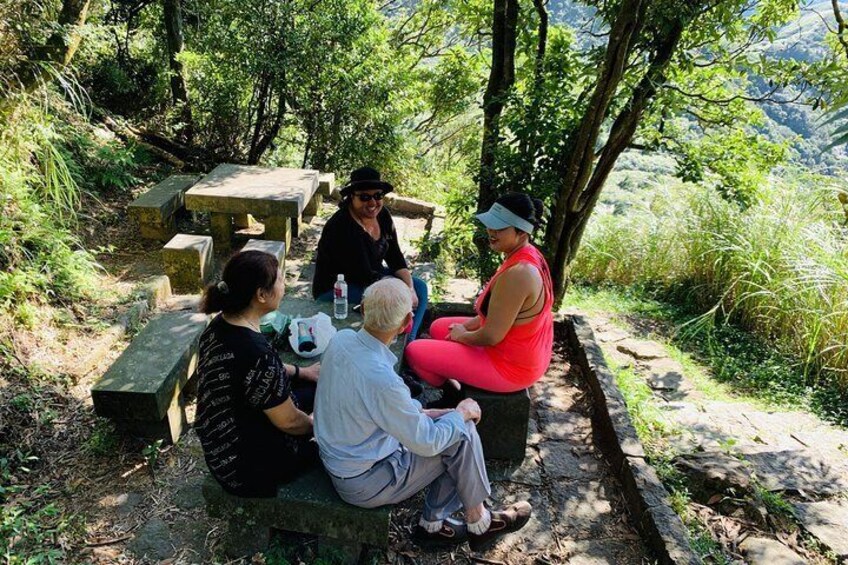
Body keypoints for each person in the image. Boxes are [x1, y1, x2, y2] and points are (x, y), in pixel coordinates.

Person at [314, 278, 532, 550]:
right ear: (407, 322)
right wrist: (460, 412)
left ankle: (440, 524)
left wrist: (438, 413)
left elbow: (377, 406)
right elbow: (426, 441)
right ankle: (477, 522)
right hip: (365, 481)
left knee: (454, 423)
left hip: (346, 458)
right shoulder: (382, 380)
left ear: (363, 309)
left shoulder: (341, 339)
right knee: (461, 435)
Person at [195, 250, 320, 497]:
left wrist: (302, 372)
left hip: (221, 448)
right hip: (247, 469)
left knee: (320, 389)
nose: (284, 285)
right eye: (280, 280)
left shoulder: (221, 324)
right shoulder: (255, 353)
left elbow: (256, 374)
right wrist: (319, 426)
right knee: (340, 428)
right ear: (261, 295)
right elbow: (290, 421)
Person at [404, 192, 553, 400]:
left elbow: (491, 335)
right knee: (439, 327)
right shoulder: (525, 254)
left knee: (414, 351)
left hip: (511, 367)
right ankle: (457, 377)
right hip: (519, 349)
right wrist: (463, 330)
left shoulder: (519, 274)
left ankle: (453, 394)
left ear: (521, 232)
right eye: (491, 224)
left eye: (500, 228)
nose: (491, 231)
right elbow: (493, 317)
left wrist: (462, 335)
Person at [311, 166, 428, 339]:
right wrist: (401, 290)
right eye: (365, 197)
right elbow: (363, 274)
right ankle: (396, 342)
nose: (373, 203)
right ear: (352, 197)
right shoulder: (341, 227)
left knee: (419, 287)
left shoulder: (383, 216)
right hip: (339, 287)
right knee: (395, 299)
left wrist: (409, 288)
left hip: (372, 276)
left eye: (378, 196)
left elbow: (395, 258)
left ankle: (408, 339)